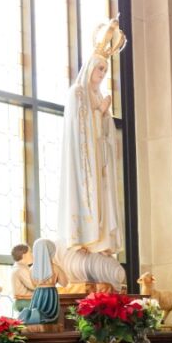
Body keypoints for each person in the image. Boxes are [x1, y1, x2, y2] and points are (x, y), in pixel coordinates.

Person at [58, 18, 127, 258]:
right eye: (100, 69)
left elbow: (105, 132)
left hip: (99, 160)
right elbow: (79, 128)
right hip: (83, 161)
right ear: (89, 68)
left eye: (105, 71)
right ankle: (86, 239)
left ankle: (103, 241)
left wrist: (105, 114)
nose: (102, 74)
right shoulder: (77, 93)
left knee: (104, 196)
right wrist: (99, 112)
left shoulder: (99, 96)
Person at [18, 238, 63, 325]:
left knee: (37, 308)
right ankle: (38, 315)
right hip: (51, 293)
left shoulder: (31, 269)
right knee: (49, 314)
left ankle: (32, 314)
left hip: (38, 293)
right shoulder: (56, 268)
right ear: (51, 251)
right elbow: (65, 283)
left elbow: (34, 284)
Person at [10, 243, 34, 314]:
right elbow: (33, 286)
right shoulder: (21, 269)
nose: (32, 254)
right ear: (24, 255)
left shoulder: (19, 267)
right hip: (25, 301)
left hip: (23, 301)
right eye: (30, 252)